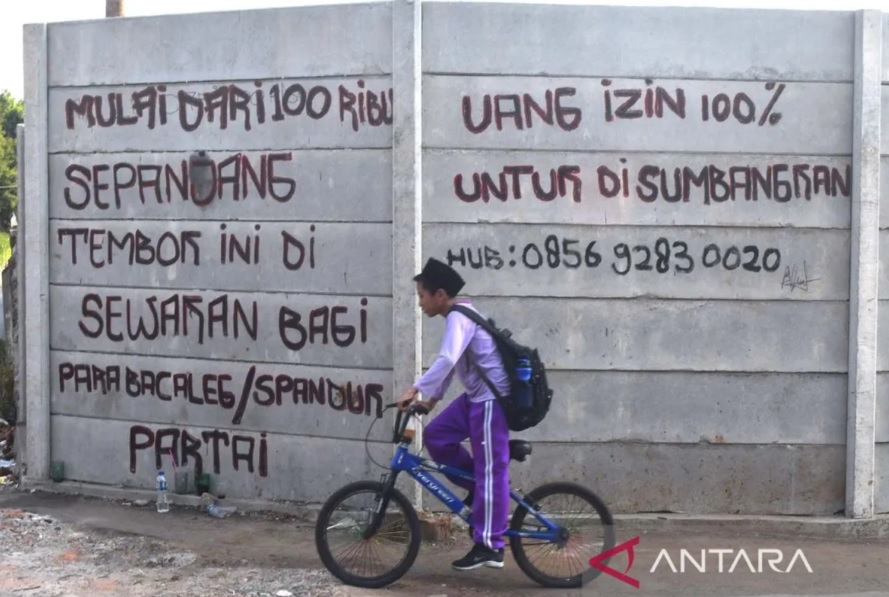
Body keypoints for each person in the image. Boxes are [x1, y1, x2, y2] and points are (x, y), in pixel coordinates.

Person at [396, 257, 512, 571]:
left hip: (491, 402)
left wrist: (415, 388)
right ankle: (477, 486)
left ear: (441, 295)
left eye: (422, 295)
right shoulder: (457, 316)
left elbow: (446, 360)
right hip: (475, 398)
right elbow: (451, 365)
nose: (420, 303)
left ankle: (490, 545)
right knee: (437, 435)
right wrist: (430, 404)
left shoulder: (460, 316)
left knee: (492, 472)